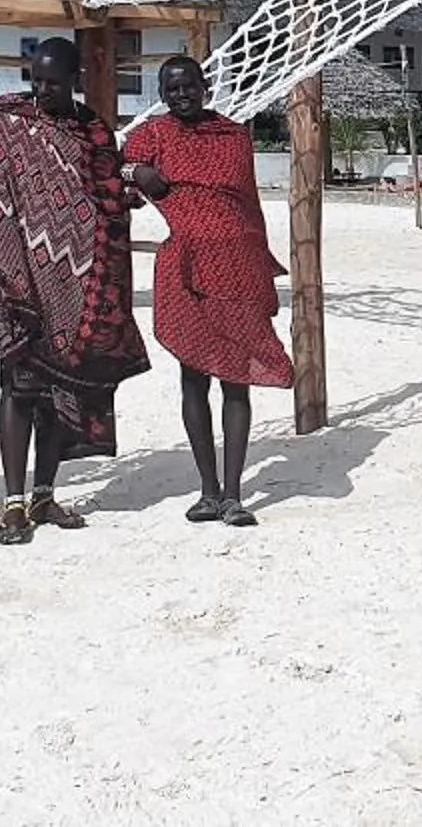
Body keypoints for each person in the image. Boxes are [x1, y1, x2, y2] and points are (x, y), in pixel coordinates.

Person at [0, 37, 152, 546]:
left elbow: (108, 193)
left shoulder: (92, 130)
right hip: (15, 276)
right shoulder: (4, 122)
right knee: (19, 387)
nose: (43, 90)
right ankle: (13, 504)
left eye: (54, 83)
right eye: (36, 80)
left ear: (74, 81)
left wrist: (133, 188)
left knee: (61, 388)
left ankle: (44, 493)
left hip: (77, 285)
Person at [122, 56, 287, 527]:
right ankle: (208, 490)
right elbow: (117, 167)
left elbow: (247, 206)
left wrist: (260, 263)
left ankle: (234, 494)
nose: (181, 95)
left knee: (236, 379)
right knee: (193, 379)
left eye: (188, 86)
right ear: (162, 93)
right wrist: (138, 175)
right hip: (186, 269)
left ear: (204, 86)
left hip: (237, 268)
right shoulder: (153, 135)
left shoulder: (234, 136)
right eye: (171, 89)